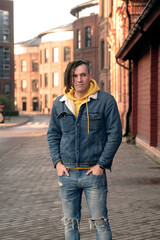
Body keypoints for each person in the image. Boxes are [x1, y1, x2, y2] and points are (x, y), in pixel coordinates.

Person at [47, 60, 122, 240]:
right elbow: (53, 135)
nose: (79, 79)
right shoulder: (60, 103)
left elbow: (115, 135)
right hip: (67, 175)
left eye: (82, 75)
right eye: (75, 76)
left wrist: (101, 165)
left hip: (93, 174)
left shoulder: (105, 101)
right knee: (69, 223)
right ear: (70, 78)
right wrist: (57, 163)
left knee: (100, 223)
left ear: (90, 76)